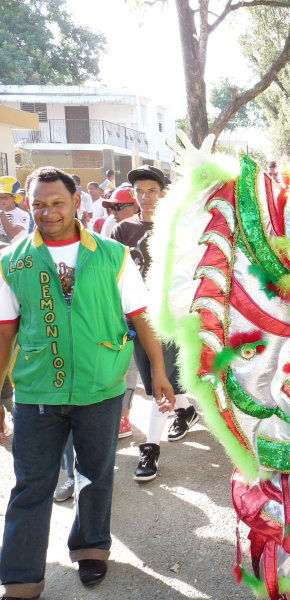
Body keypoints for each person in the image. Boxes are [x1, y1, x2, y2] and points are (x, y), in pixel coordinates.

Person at [0, 166, 175, 599]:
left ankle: (91, 548)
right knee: (30, 483)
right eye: (38, 203)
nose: (48, 211)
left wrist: (158, 371)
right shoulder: (12, 261)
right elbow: (5, 332)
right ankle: (21, 574)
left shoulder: (113, 255)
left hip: (101, 385)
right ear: (29, 205)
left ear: (76, 203)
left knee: (95, 474)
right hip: (38, 389)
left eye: (57, 202)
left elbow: (141, 317)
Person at [111, 165, 199, 482]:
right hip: (136, 318)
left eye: (151, 190)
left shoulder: (179, 228)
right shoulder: (122, 231)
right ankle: (187, 409)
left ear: (163, 193)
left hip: (170, 317)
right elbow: (112, 277)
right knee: (153, 383)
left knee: (162, 386)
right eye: (139, 191)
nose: (145, 197)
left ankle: (150, 450)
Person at [0, 177, 31, 248]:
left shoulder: (22, 215)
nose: (1, 201)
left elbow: (12, 234)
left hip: (16, 256)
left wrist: (1, 212)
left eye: (5, 197)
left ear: (14, 198)